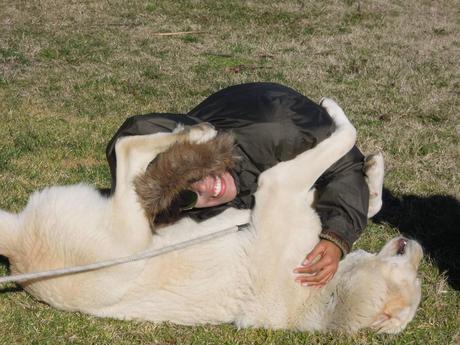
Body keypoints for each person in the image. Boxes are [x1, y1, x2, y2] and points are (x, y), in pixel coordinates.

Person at [106, 82, 369, 288]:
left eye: (197, 173)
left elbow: (346, 164)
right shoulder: (185, 206)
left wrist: (337, 237)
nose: (207, 188)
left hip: (279, 112)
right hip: (219, 122)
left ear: (204, 152)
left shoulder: (280, 131)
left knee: (318, 188)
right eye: (187, 195)